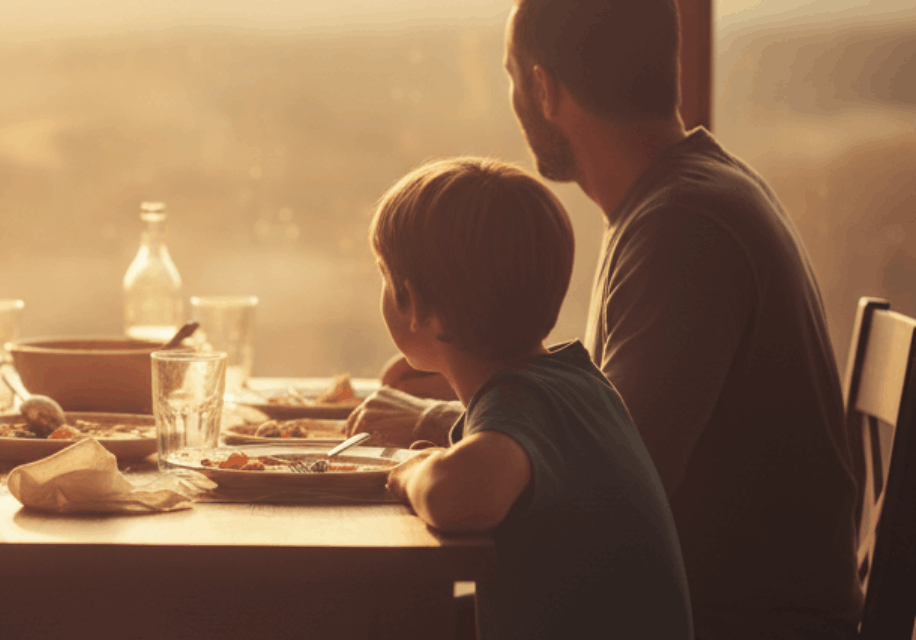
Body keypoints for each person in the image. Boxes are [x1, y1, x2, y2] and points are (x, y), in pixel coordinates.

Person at [351, 0, 861, 636]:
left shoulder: (683, 227)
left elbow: (611, 458)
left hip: (737, 619)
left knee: (355, 615)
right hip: (701, 604)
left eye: (512, 78)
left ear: (542, 86)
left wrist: (434, 428)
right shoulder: (679, 198)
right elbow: (592, 432)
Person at [374, 157, 691, 639]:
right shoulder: (579, 381)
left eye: (383, 274)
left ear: (415, 304)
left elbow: (462, 496)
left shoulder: (518, 398)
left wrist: (412, 473)